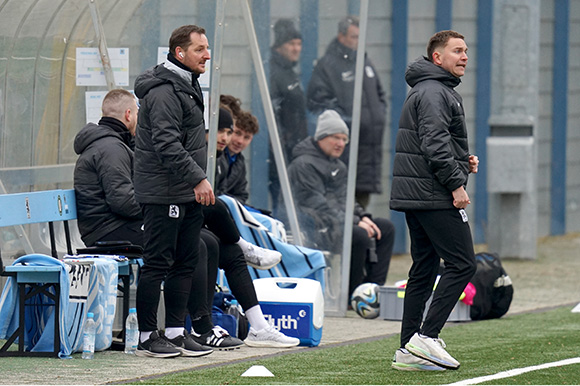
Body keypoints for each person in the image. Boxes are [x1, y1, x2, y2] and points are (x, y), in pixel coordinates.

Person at [389, 30, 479, 372]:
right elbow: (433, 144)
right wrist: (457, 184)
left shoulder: (432, 89)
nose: (465, 56)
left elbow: (435, 142)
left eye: (466, 51)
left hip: (420, 193)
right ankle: (426, 337)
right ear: (437, 58)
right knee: (463, 264)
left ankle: (407, 349)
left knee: (424, 269)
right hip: (433, 194)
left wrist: (462, 159)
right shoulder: (434, 92)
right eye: (457, 51)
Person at [133, 24, 215, 358]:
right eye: (200, 50)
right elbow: (166, 144)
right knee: (157, 263)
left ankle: (177, 333)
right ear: (179, 53)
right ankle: (146, 337)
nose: (207, 55)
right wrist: (198, 178)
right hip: (164, 192)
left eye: (207, 48)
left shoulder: (188, 83)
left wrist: (194, 182)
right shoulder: (164, 91)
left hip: (185, 190)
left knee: (185, 261)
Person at [287, 109, 395, 298]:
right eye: (335, 137)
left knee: (384, 228)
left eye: (344, 139)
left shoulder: (339, 166)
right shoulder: (303, 164)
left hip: (337, 222)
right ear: (321, 136)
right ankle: (351, 295)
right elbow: (317, 204)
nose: (340, 143)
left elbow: (347, 200)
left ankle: (372, 290)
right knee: (358, 234)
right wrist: (354, 222)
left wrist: (363, 217)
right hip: (315, 226)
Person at [306, 15, 386, 209]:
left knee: (362, 202)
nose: (357, 41)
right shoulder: (328, 65)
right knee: (342, 202)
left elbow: (380, 96)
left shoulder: (365, 63)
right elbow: (317, 101)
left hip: (370, 150)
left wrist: (378, 116)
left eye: (360, 37)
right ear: (341, 36)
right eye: (353, 36)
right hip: (345, 148)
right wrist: (346, 123)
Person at [73, 89, 143, 248]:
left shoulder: (114, 143)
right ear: (128, 115)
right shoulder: (111, 149)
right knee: (186, 242)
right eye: (137, 114)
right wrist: (157, 208)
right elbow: (123, 202)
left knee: (198, 239)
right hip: (108, 231)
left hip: (111, 226)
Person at [269, 19, 308, 214]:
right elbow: (273, 111)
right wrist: (283, 140)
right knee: (279, 197)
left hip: (293, 148)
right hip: (278, 150)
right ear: (279, 46)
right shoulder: (274, 71)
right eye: (291, 44)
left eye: (299, 44)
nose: (296, 48)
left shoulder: (290, 71)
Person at [215, 109, 258, 205]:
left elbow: (241, 195)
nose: (240, 141)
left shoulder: (240, 162)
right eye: (237, 133)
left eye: (246, 137)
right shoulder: (216, 156)